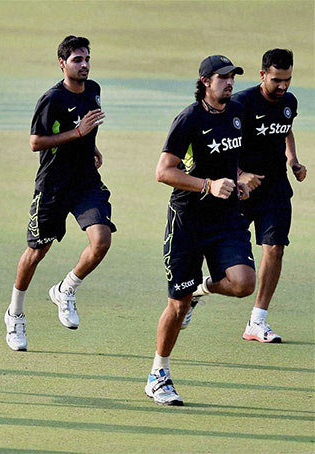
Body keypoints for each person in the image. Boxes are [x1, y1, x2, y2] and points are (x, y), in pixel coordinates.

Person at [147, 55, 254, 406]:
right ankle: (158, 375)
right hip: (187, 223)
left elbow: (231, 160)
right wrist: (209, 185)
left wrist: (238, 180)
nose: (229, 83)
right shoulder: (189, 119)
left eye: (232, 77)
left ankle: (200, 291)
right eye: (222, 78)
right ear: (206, 81)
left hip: (226, 220)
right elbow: (164, 171)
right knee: (175, 307)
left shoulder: (236, 114)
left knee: (243, 283)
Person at [3, 35, 115, 352]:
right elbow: (35, 142)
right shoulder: (51, 99)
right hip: (53, 187)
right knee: (37, 251)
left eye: (87, 58)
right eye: (77, 60)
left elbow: (88, 127)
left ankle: (66, 288)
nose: (84, 65)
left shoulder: (93, 91)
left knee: (101, 241)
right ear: (62, 63)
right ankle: (15, 314)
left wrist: (91, 145)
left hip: (86, 183)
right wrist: (76, 134)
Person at [227, 49, 305, 342]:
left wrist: (293, 159)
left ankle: (257, 321)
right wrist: (239, 176)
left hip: (275, 188)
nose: (283, 86)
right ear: (262, 75)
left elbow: (286, 129)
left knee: (275, 248)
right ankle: (195, 291)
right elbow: (223, 142)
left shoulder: (289, 101)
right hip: (242, 190)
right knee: (225, 254)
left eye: (287, 80)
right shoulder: (241, 103)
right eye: (276, 80)